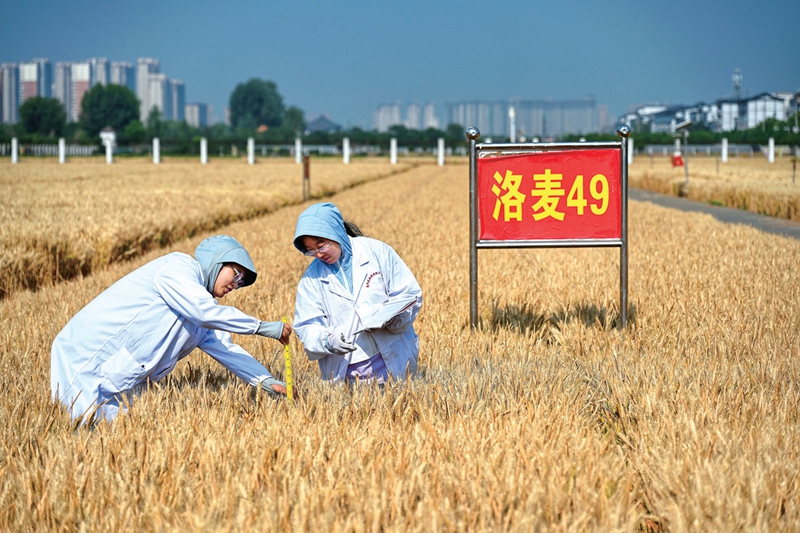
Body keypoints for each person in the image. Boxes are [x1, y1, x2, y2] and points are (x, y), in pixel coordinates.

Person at [51, 234, 292, 426]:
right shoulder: (179, 268)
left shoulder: (200, 302)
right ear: (217, 261)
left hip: (123, 376)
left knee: (110, 442)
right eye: (236, 274)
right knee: (76, 429)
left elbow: (224, 348)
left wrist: (264, 380)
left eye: (240, 283)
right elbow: (204, 312)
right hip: (86, 359)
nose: (236, 284)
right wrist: (261, 327)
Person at [292, 202, 422, 384]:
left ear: (335, 233)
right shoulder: (311, 279)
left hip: (391, 356)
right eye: (311, 250)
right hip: (347, 371)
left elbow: (408, 293)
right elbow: (307, 325)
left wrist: (395, 319)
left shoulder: (377, 252)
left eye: (321, 245)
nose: (319, 254)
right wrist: (328, 341)